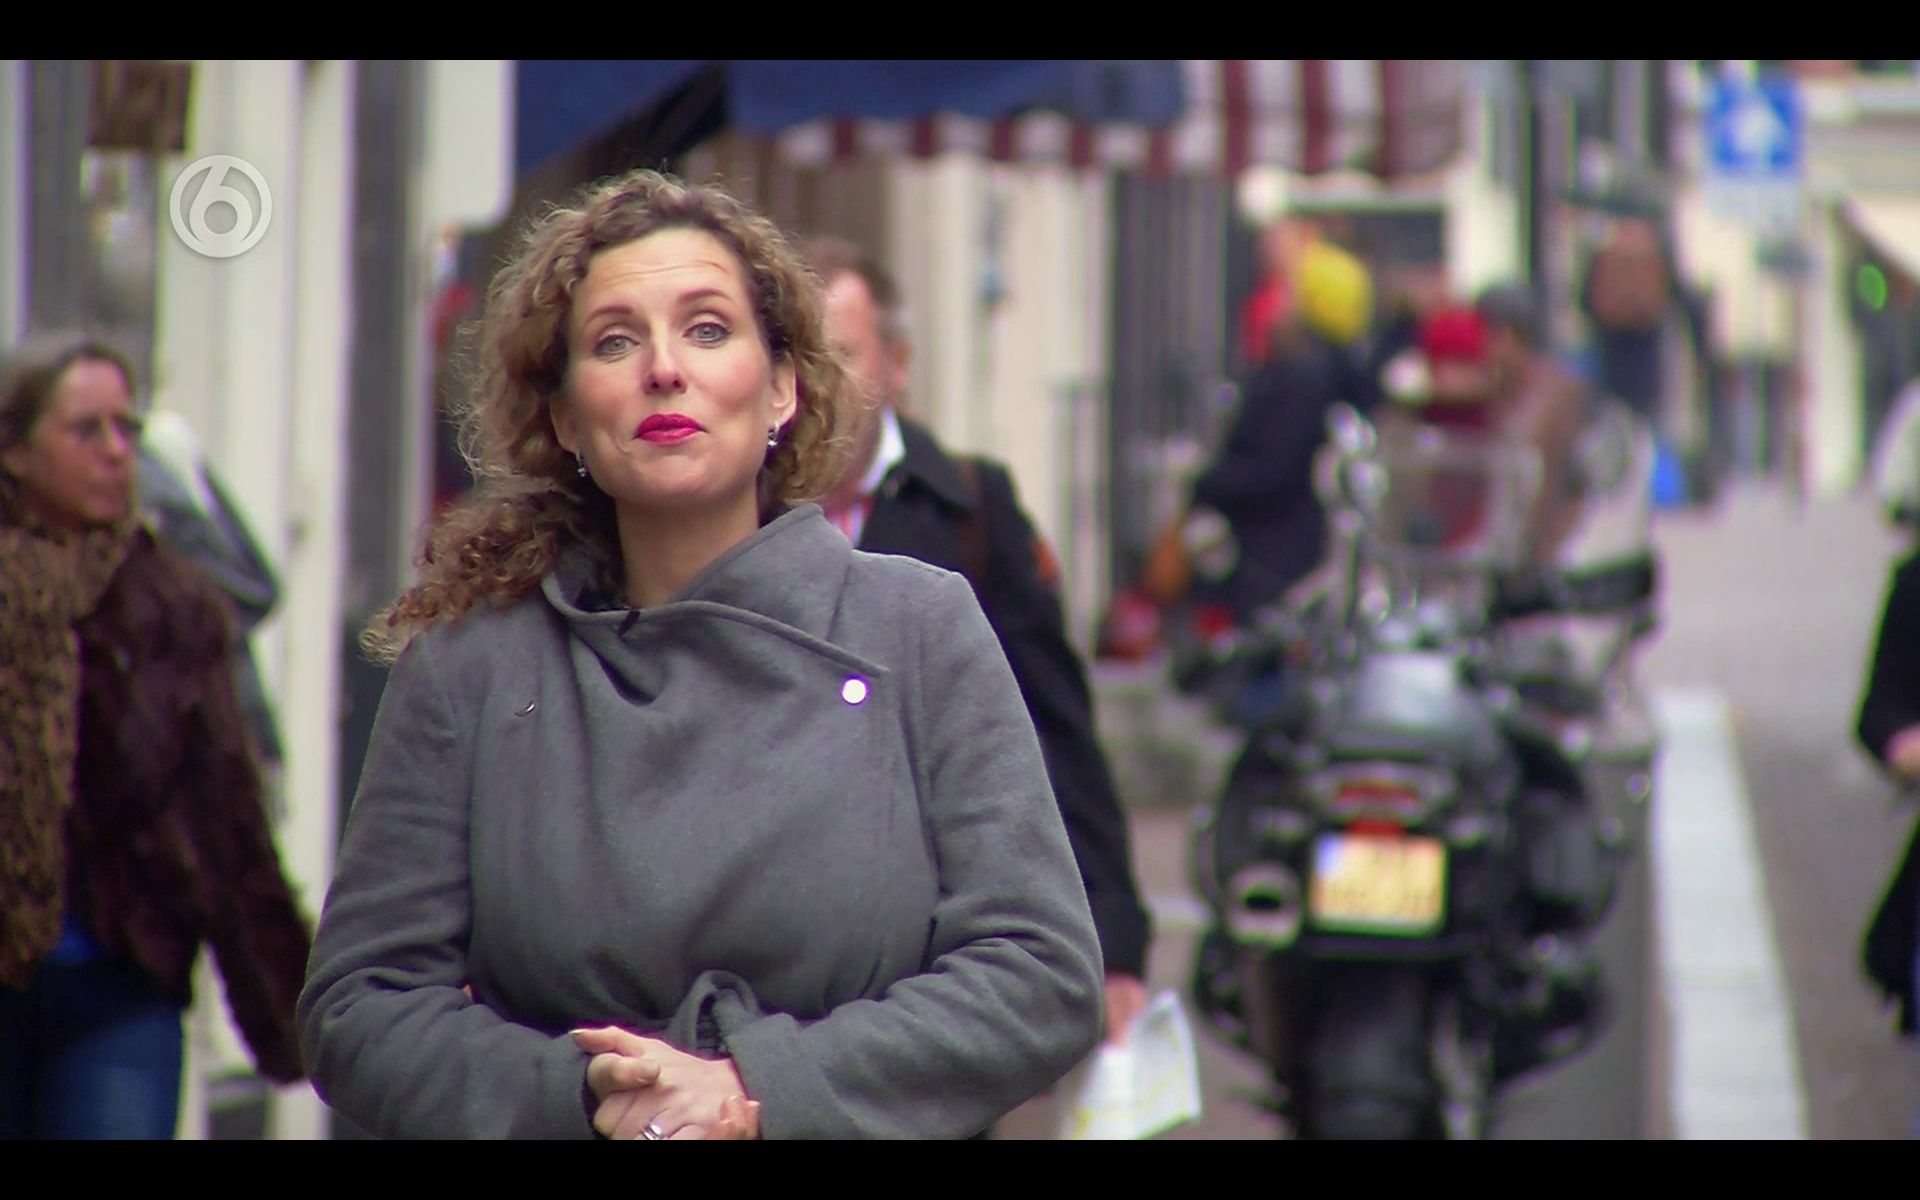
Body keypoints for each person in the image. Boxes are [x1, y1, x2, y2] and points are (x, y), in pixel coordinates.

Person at [297, 170, 1104, 1141]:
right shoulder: (474, 664)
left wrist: (759, 1089)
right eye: (614, 341)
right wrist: (583, 1095)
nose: (664, 369)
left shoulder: (918, 627)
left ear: (782, 388)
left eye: (708, 329)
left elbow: (1040, 974)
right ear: (565, 417)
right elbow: (360, 1007)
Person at [799, 234, 1153, 1048]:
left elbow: (1054, 725)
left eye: (842, 354)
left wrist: (1112, 937)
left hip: (933, 954)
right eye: (796, 354)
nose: (818, 383)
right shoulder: (732, 513)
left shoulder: (970, 508)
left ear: (897, 364)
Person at [0, 332, 312, 1139]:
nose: (116, 452)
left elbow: (227, 815)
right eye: (86, 430)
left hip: (121, 984)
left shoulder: (172, 604)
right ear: (17, 451)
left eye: (127, 428)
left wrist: (286, 1003)